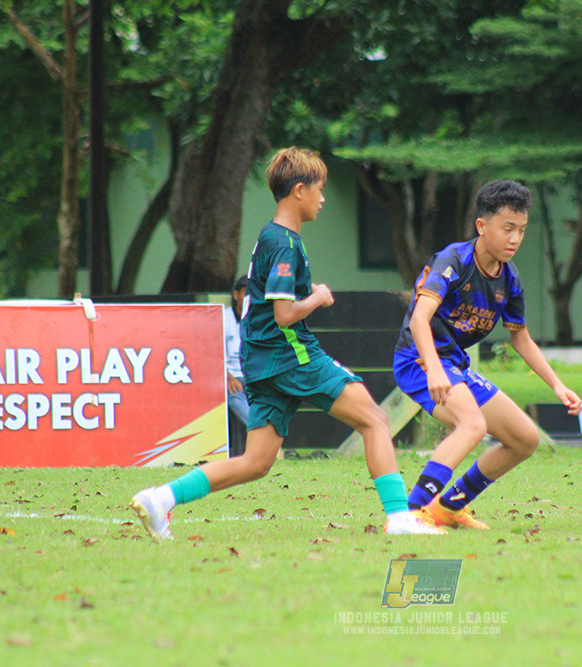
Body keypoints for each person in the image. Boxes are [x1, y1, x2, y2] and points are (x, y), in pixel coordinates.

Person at [131, 146, 443, 539]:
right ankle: (400, 519)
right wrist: (317, 297)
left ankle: (161, 498)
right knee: (375, 419)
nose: (324, 198)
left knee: (256, 462)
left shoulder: (272, 235)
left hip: (261, 362)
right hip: (289, 354)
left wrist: (301, 289)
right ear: (299, 190)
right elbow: (284, 314)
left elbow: (268, 295)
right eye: (320, 188)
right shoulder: (285, 243)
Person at [394, 179, 582, 530]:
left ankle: (449, 508)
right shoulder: (453, 261)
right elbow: (420, 318)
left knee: (525, 439)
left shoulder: (509, 279)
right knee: (472, 425)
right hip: (418, 360)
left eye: (522, 230)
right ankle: (411, 513)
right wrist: (434, 369)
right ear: (482, 226)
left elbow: (521, 339)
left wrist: (557, 385)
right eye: (507, 228)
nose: (515, 239)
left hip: (454, 365)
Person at [224, 276, 249, 454]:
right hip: (232, 377)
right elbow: (214, 353)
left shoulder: (258, 320)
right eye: (246, 292)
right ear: (236, 294)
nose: (250, 297)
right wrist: (228, 376)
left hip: (254, 377)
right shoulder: (223, 318)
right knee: (235, 395)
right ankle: (260, 429)